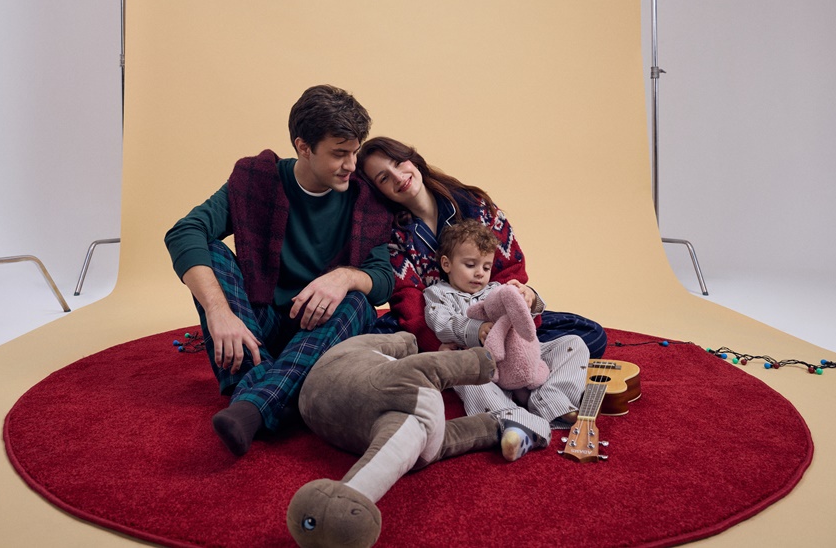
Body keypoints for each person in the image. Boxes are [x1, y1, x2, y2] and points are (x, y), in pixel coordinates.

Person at [165, 85, 395, 457]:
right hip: (264, 327)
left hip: (322, 329)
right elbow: (184, 232)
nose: (352, 165)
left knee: (358, 302)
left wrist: (345, 276)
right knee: (211, 251)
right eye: (339, 154)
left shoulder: (364, 198)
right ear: (304, 147)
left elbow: (383, 279)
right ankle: (281, 393)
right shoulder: (257, 179)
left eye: (354, 152)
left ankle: (251, 404)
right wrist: (218, 311)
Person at [357, 136, 608, 460]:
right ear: (379, 191)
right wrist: (438, 347)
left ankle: (547, 399)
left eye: (397, 162)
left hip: (504, 321)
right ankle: (510, 413)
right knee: (379, 339)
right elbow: (408, 298)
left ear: (412, 158)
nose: (397, 176)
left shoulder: (473, 205)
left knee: (588, 335)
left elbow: (511, 269)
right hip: (445, 328)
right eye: (383, 178)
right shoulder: (394, 234)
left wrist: (525, 301)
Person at [423, 219, 589, 442]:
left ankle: (551, 400)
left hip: (519, 355)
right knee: (464, 375)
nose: (480, 273)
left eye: (486, 267)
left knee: (574, 343)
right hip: (484, 363)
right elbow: (441, 322)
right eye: (470, 265)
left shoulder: (496, 289)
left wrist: (530, 299)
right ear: (446, 264)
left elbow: (523, 321)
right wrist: (476, 330)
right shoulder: (437, 294)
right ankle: (515, 421)